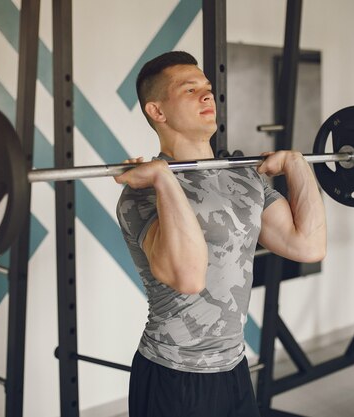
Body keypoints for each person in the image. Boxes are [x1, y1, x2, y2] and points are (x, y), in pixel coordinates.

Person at [115, 51, 326, 417]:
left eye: (208, 88)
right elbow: (189, 276)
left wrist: (297, 166)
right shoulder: (142, 194)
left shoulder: (244, 177)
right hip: (172, 374)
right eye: (190, 89)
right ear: (157, 112)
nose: (207, 96)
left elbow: (307, 245)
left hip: (234, 368)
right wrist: (164, 177)